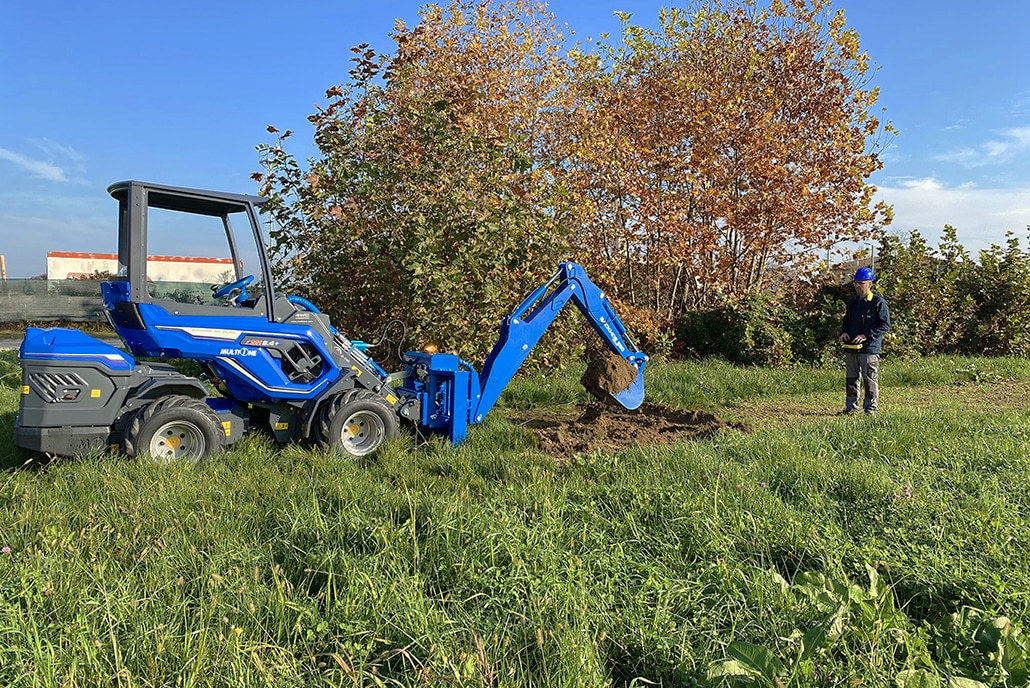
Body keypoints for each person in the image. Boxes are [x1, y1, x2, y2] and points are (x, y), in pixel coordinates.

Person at [838, 266, 891, 415]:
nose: (857, 286)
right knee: (851, 378)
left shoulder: (878, 303)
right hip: (852, 347)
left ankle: (870, 409)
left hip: (869, 349)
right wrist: (844, 332)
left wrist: (866, 335)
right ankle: (851, 408)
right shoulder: (852, 302)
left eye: (861, 283)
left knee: (870, 379)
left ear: (870, 284)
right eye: (856, 283)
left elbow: (885, 325)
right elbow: (846, 321)